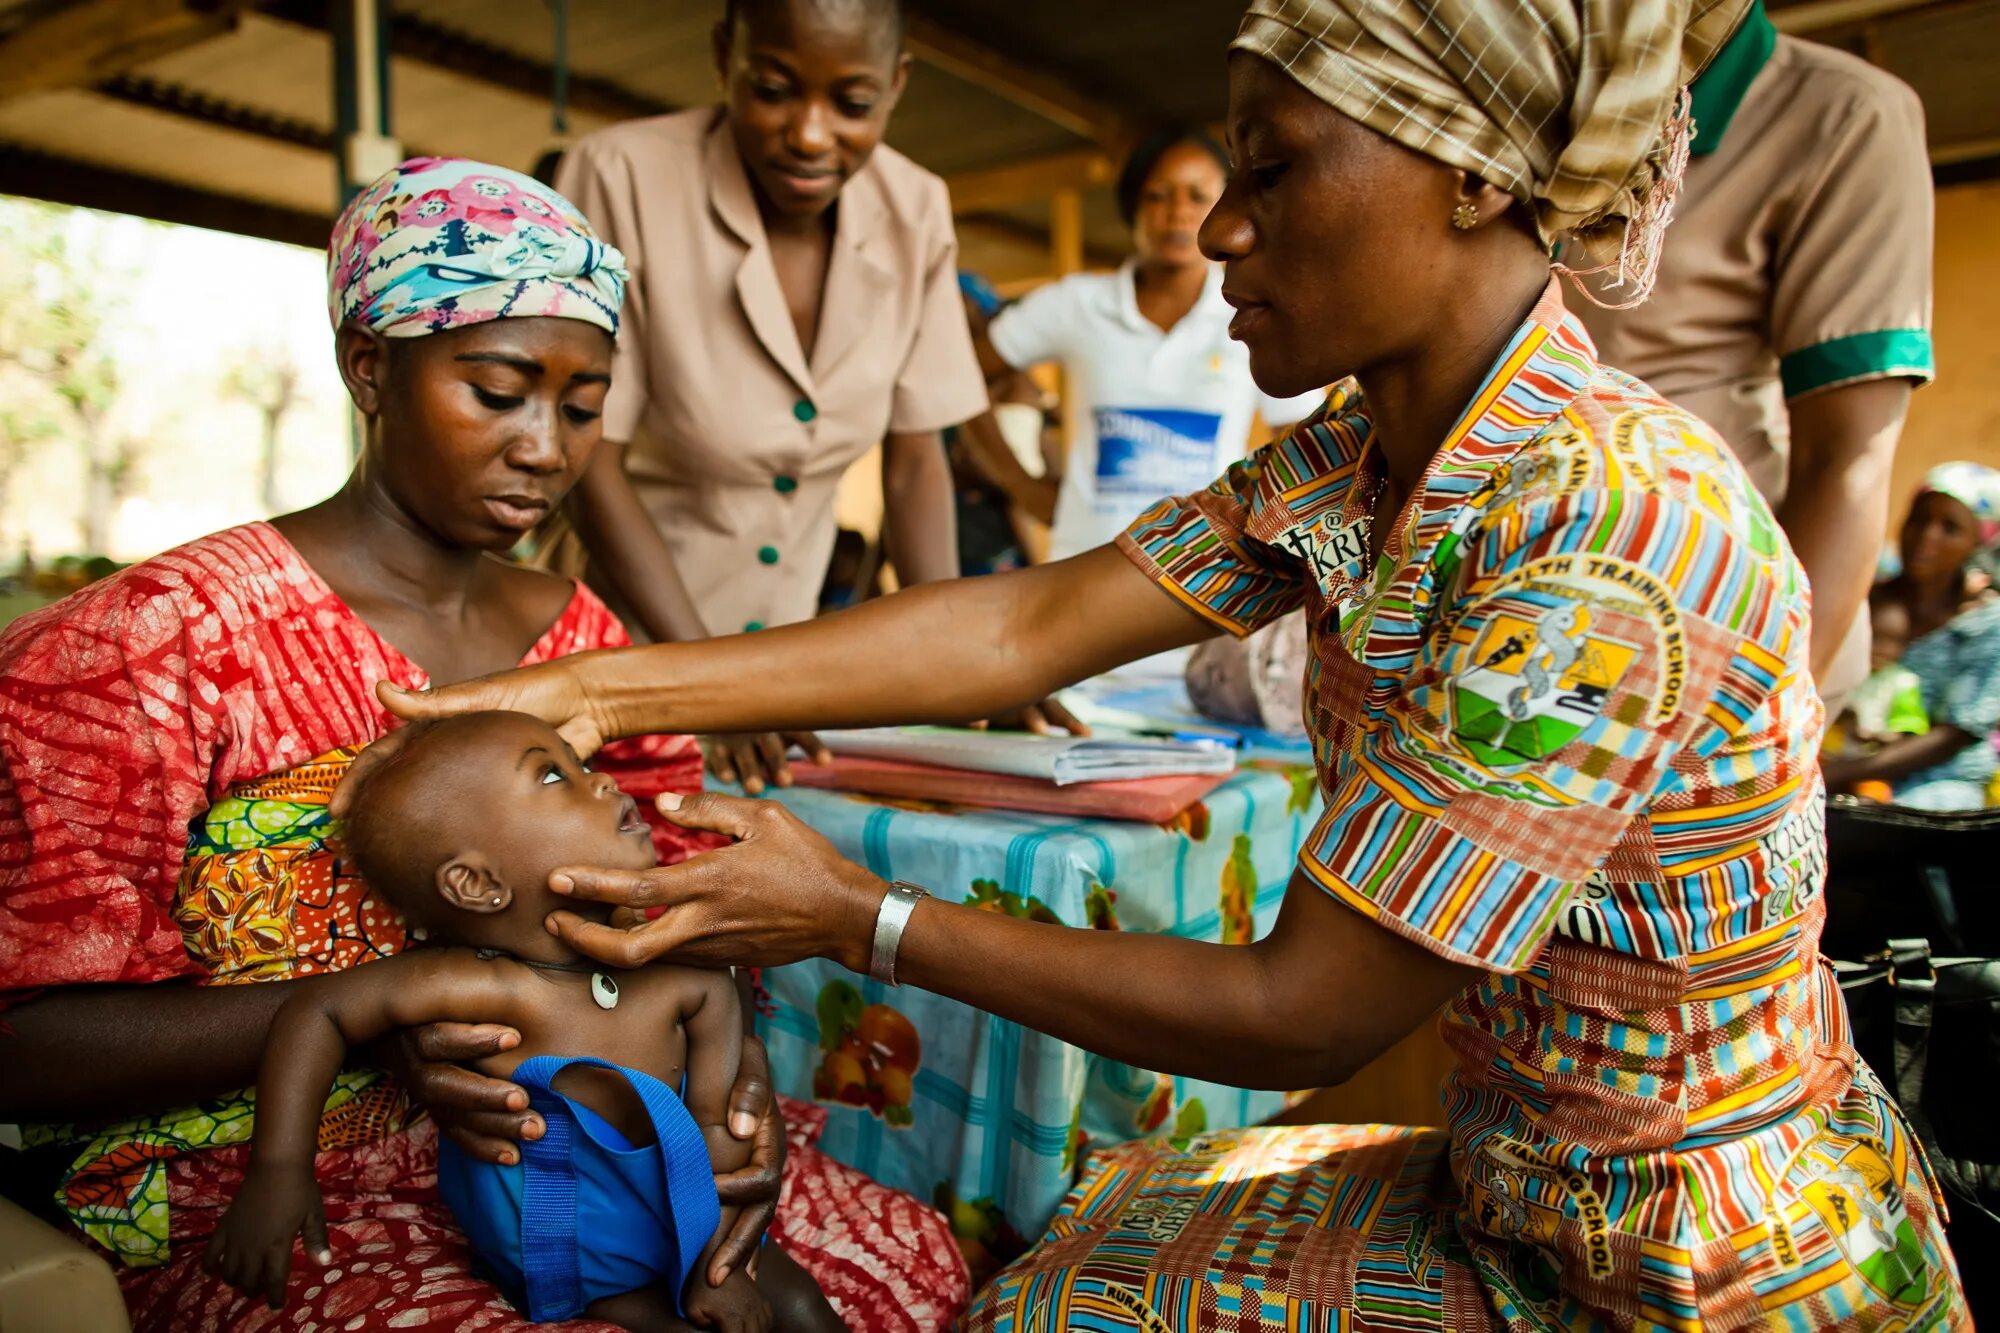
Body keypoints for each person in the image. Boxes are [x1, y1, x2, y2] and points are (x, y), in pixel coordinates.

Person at [369, 0, 1972, 1324]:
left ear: (1477, 174)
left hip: (1683, 1267)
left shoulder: (1606, 536)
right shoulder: (1363, 457)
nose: (1217, 225)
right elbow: (1024, 622)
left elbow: (1298, 1013)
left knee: (1056, 1302)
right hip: (1524, 1183)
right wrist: (594, 690)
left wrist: (861, 913)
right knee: (1072, 1243)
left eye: (1272, 168)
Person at [0, 157, 967, 1333]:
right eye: (498, 390)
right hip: (270, 1191)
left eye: (579, 403)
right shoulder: (153, 648)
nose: (544, 447)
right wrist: (380, 1021)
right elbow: (27, 1045)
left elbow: (674, 918)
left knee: (897, 1268)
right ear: (371, 369)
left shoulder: (589, 641)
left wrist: (732, 1093)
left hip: (611, 1148)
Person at [208, 711, 840, 1331]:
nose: (601, 781)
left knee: (805, 1308)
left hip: (692, 1224)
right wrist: (279, 1170)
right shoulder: (472, 986)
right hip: (567, 1259)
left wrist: (715, 1269)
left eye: (583, 764)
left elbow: (718, 1118)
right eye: (552, 777)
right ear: (477, 884)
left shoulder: (690, 971)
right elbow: (315, 1011)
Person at [552, 0, 995, 793]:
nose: (812, 134)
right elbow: (590, 459)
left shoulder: (916, 207)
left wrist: (970, 671)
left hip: (786, 674)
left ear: (896, 85)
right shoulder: (621, 175)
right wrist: (708, 691)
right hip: (626, 652)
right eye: (775, 89)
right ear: (725, 57)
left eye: (853, 104)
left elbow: (916, 461)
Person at [1576, 0, 1935, 702]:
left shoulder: (1842, 116)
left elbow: (1848, 457)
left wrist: (1766, 715)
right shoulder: (1540, 99)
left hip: (1717, 627)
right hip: (1535, 591)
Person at [972, 127, 1323, 568]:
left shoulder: (1255, 313)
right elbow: (959, 376)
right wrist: (1020, 485)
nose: (1177, 213)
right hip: (1086, 565)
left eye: (1198, 196)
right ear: (1132, 207)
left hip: (1210, 577)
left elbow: (1305, 441)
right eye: (1158, 195)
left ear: (1225, 211)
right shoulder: (1076, 304)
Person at [1824, 462, 2000, 811]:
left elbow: (1954, 736)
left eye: (1950, 528)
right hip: (1838, 753)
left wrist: (1838, 773)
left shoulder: (1986, 626)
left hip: (1937, 778)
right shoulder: (1866, 591)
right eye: (1919, 519)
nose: (1927, 536)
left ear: (1977, 542)